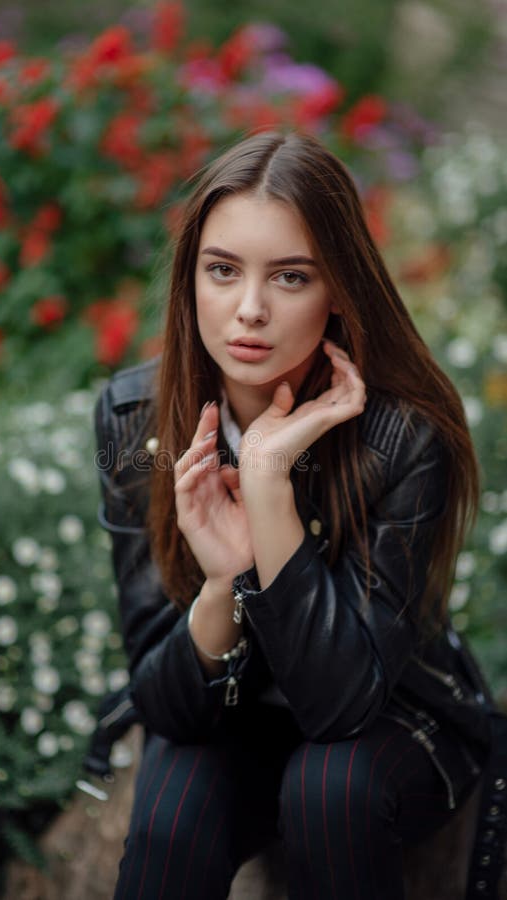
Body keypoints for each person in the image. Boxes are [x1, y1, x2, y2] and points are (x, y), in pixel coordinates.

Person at [90, 131, 499, 900]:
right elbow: (165, 700)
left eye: (289, 276)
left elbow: (341, 703)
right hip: (231, 709)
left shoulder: (403, 436)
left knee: (326, 791)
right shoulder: (134, 416)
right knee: (170, 821)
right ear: (190, 281)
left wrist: (269, 482)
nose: (248, 310)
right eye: (222, 271)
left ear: (338, 289)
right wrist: (222, 587)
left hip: (389, 714)